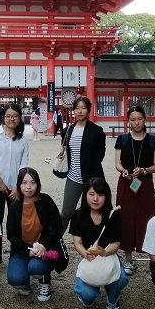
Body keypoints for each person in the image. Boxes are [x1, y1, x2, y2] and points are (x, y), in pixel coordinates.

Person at [114, 105, 155, 275]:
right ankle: (128, 260)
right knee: (125, 219)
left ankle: (151, 258)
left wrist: (144, 170)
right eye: (133, 119)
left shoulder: (152, 140)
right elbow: (117, 163)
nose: (136, 122)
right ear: (128, 121)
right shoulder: (123, 139)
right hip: (126, 184)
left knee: (146, 219)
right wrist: (123, 171)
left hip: (145, 184)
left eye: (139, 119)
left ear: (145, 119)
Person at [69, 177, 128, 309]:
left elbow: (116, 242)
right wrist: (85, 253)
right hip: (88, 256)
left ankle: (112, 295)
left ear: (106, 196)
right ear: (85, 195)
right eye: (91, 194)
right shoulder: (78, 215)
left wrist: (105, 252)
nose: (95, 199)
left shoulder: (113, 215)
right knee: (87, 295)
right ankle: (86, 294)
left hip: (108, 255)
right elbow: (77, 242)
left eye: (100, 195)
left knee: (121, 279)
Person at [6, 167, 64, 302]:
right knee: (16, 279)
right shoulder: (14, 207)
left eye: (32, 182)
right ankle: (24, 282)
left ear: (38, 184)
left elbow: (57, 225)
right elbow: (11, 235)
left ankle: (45, 281)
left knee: (36, 268)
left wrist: (44, 244)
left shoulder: (45, 201)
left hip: (42, 249)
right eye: (24, 183)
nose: (28, 187)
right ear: (19, 185)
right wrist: (27, 250)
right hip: (22, 250)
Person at [0, 104, 29, 267]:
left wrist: (18, 186)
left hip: (15, 188)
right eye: (9, 116)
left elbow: (24, 165)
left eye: (15, 116)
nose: (12, 119)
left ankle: (16, 253)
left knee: (16, 221)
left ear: (19, 118)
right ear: (3, 117)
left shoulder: (22, 139)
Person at [60, 97, 106, 233]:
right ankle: (55, 243)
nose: (80, 111)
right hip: (73, 177)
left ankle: (94, 243)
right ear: (73, 110)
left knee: (94, 212)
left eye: (83, 108)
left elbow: (100, 154)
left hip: (92, 178)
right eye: (77, 108)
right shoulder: (67, 131)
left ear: (88, 110)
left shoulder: (97, 130)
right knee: (66, 213)